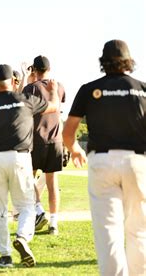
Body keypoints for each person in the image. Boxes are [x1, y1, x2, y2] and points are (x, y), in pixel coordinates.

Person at [62, 39, 145, 276]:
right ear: (129, 61)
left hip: (102, 162)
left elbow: (68, 133)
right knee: (139, 230)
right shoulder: (143, 88)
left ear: (103, 61)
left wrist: (75, 149)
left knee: (108, 231)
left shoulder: (89, 89)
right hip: (137, 162)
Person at [0, 64, 59, 268]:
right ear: (13, 82)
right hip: (20, 158)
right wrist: (52, 91)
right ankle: (23, 238)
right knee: (26, 207)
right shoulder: (25, 100)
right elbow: (53, 107)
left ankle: (5, 256)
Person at [22, 56, 66, 235]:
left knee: (27, 179)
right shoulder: (60, 87)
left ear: (34, 69)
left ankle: (39, 211)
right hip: (55, 140)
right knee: (52, 183)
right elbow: (58, 110)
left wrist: (26, 78)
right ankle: (54, 223)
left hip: (35, 139)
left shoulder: (31, 87)